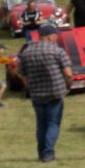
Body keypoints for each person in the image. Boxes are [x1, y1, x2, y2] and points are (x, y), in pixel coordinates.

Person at [16, 29, 71, 161]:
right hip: (55, 93)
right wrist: (68, 85)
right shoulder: (57, 51)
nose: (56, 39)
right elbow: (68, 74)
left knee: (41, 124)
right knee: (53, 123)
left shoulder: (26, 52)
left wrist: (29, 87)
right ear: (48, 36)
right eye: (55, 36)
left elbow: (21, 73)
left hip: (36, 93)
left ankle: (41, 153)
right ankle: (48, 153)